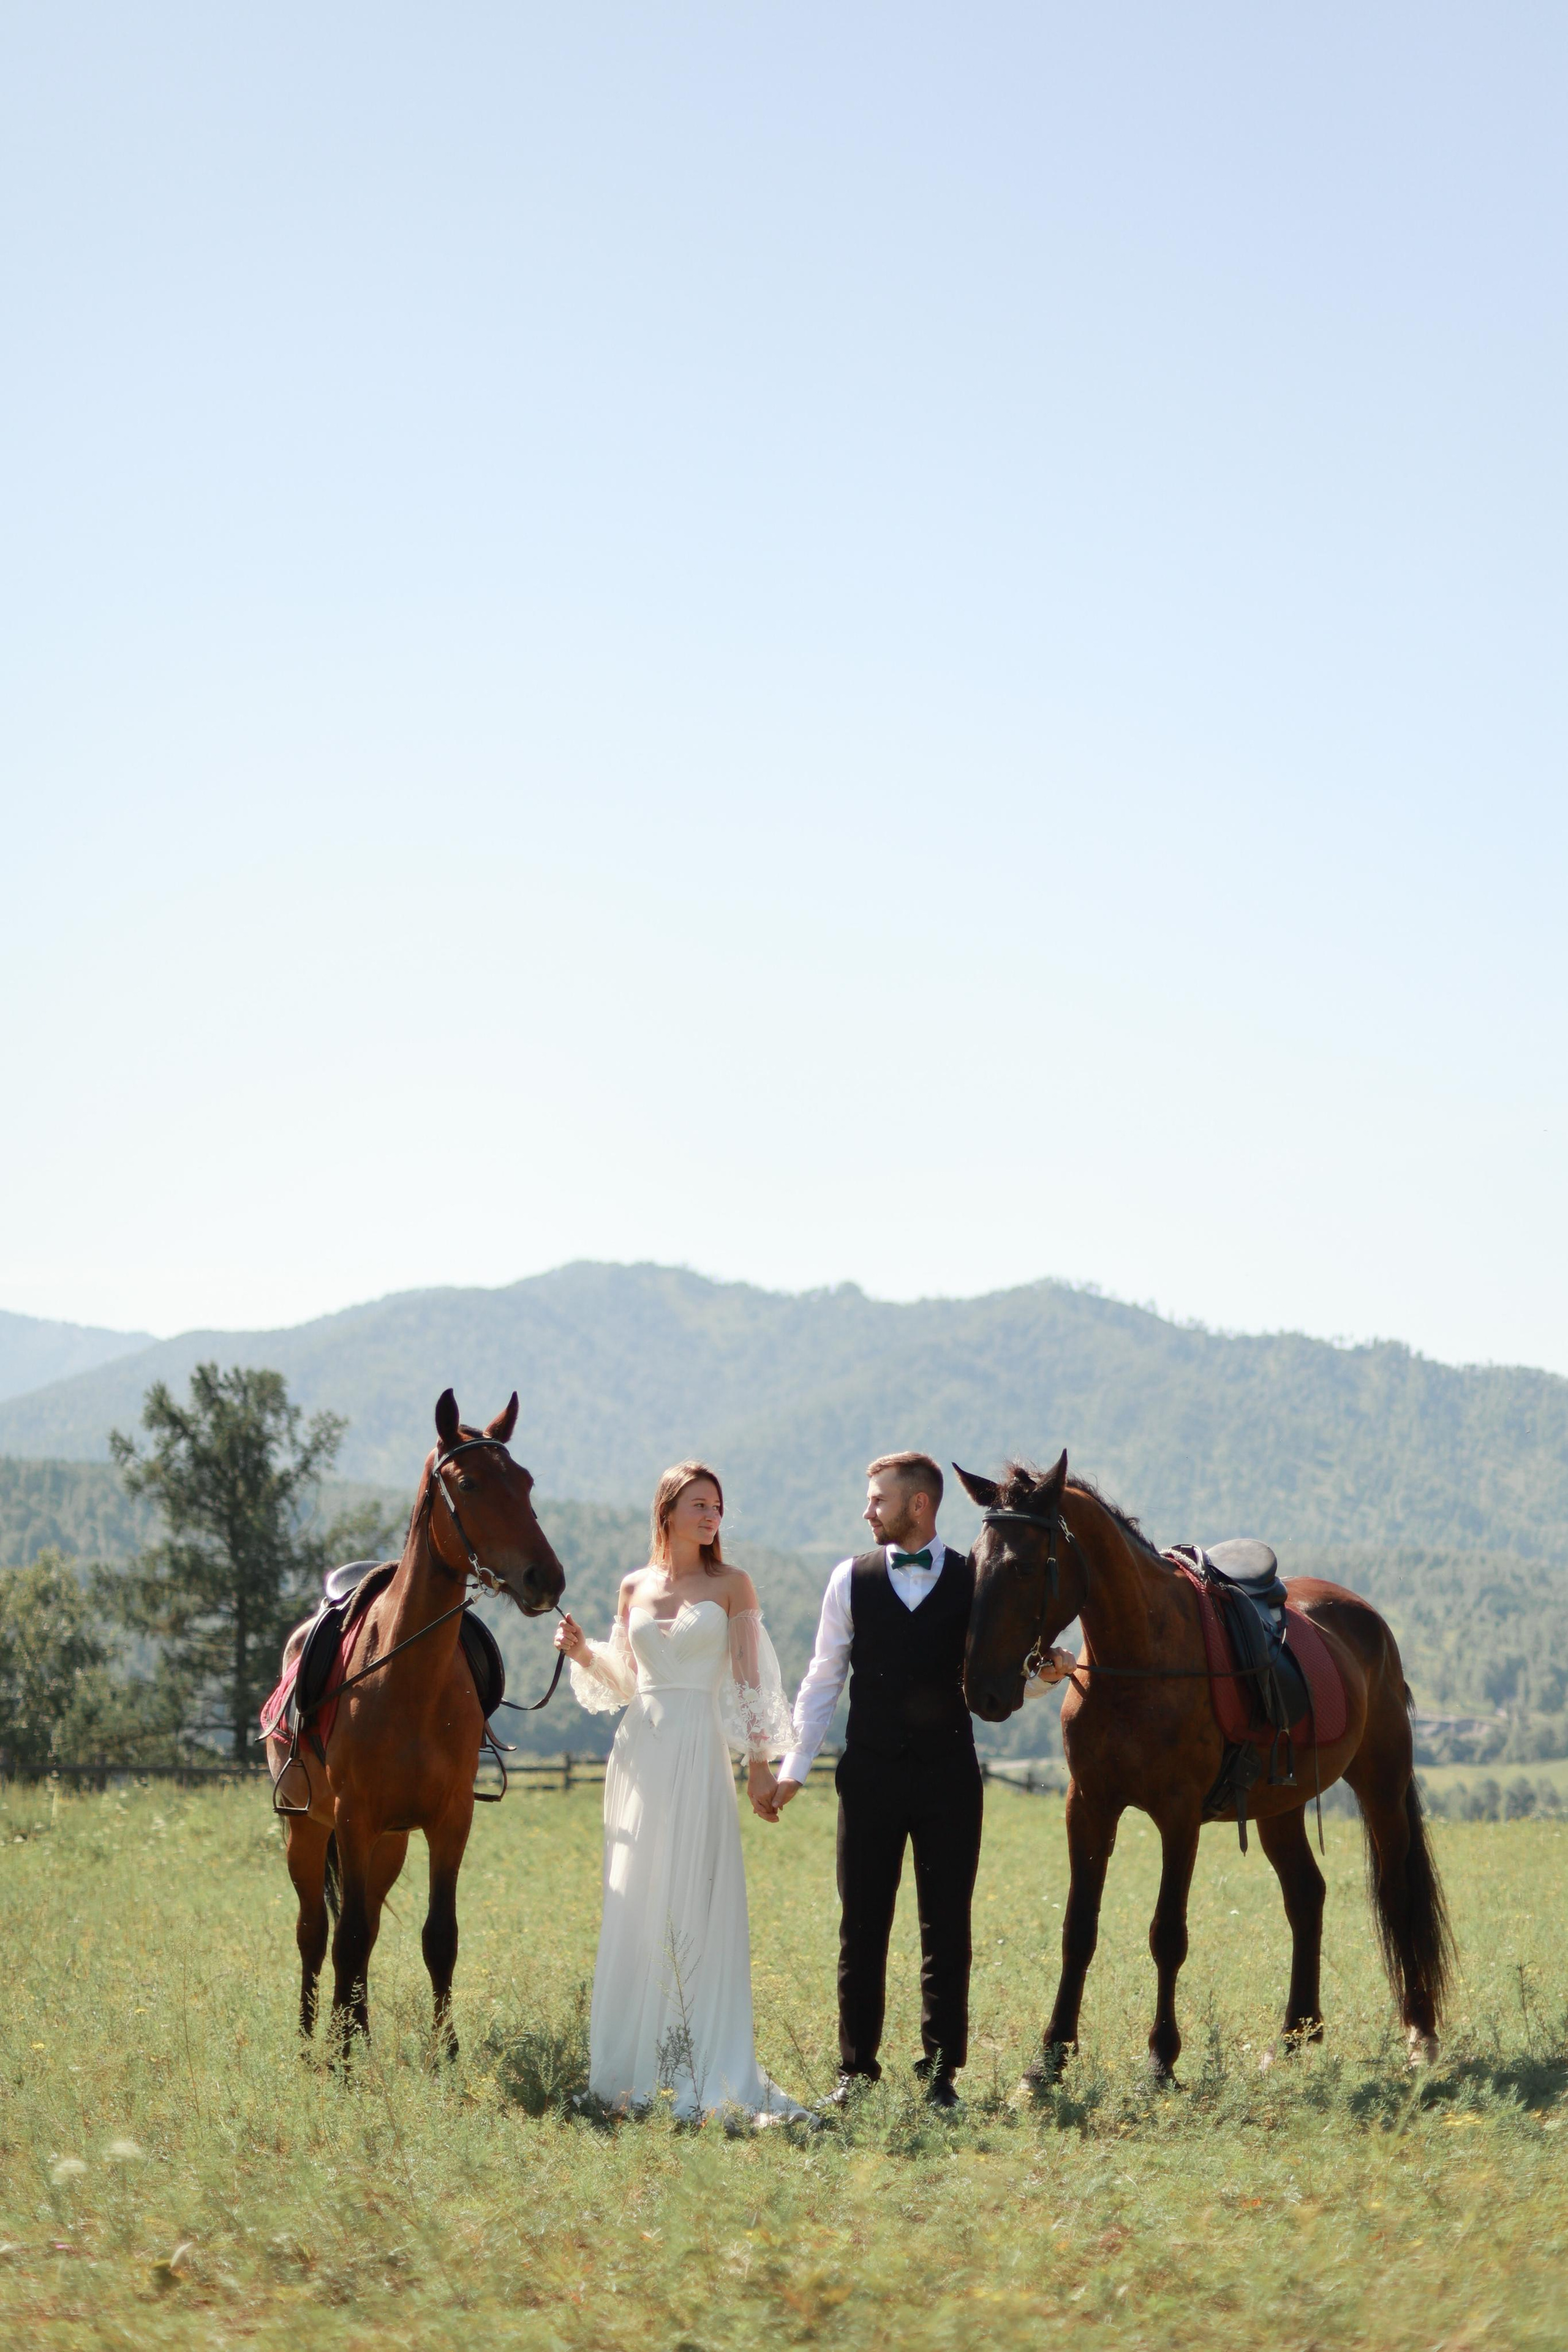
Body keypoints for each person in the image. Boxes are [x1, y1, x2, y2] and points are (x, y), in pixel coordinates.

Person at [767, 1450, 1071, 2111]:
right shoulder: (848, 1579)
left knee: (947, 1929)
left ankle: (941, 2078)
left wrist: (1046, 1678)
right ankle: (856, 2072)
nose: (866, 1511)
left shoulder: (973, 1579)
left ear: (918, 1505)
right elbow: (822, 1681)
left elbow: (999, 1674)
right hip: (868, 1776)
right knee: (862, 1927)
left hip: (949, 1780)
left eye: (877, 1499)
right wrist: (794, 1768)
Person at [554, 1460, 804, 2120]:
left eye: (717, 1505)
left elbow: (752, 1679)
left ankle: (699, 2061)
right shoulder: (633, 1585)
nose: (710, 1515)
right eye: (698, 1503)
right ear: (666, 1511)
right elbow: (628, 1681)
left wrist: (758, 1763)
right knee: (638, 1900)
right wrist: (583, 1654)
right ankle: (631, 2068)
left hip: (699, 1751)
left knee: (693, 1897)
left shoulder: (733, 1584)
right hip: (640, 1754)